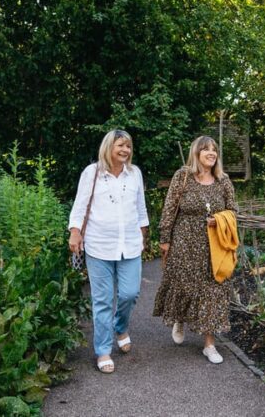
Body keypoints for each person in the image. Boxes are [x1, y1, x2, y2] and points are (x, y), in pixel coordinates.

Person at [68, 129, 149, 374]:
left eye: (128, 146)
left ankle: (120, 326)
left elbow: (141, 208)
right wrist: (74, 231)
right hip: (99, 246)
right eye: (120, 146)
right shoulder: (92, 172)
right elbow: (80, 205)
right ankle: (103, 350)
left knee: (129, 293)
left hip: (130, 245)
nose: (125, 150)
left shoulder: (134, 173)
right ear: (108, 147)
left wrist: (144, 236)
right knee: (102, 300)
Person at [153, 135, 237, 364]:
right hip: (184, 243)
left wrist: (220, 220)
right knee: (185, 285)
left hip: (215, 247)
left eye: (214, 150)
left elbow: (234, 212)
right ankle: (180, 319)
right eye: (206, 149)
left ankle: (209, 345)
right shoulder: (182, 177)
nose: (211, 153)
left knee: (213, 291)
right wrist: (164, 239)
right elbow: (170, 209)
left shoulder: (223, 181)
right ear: (196, 153)